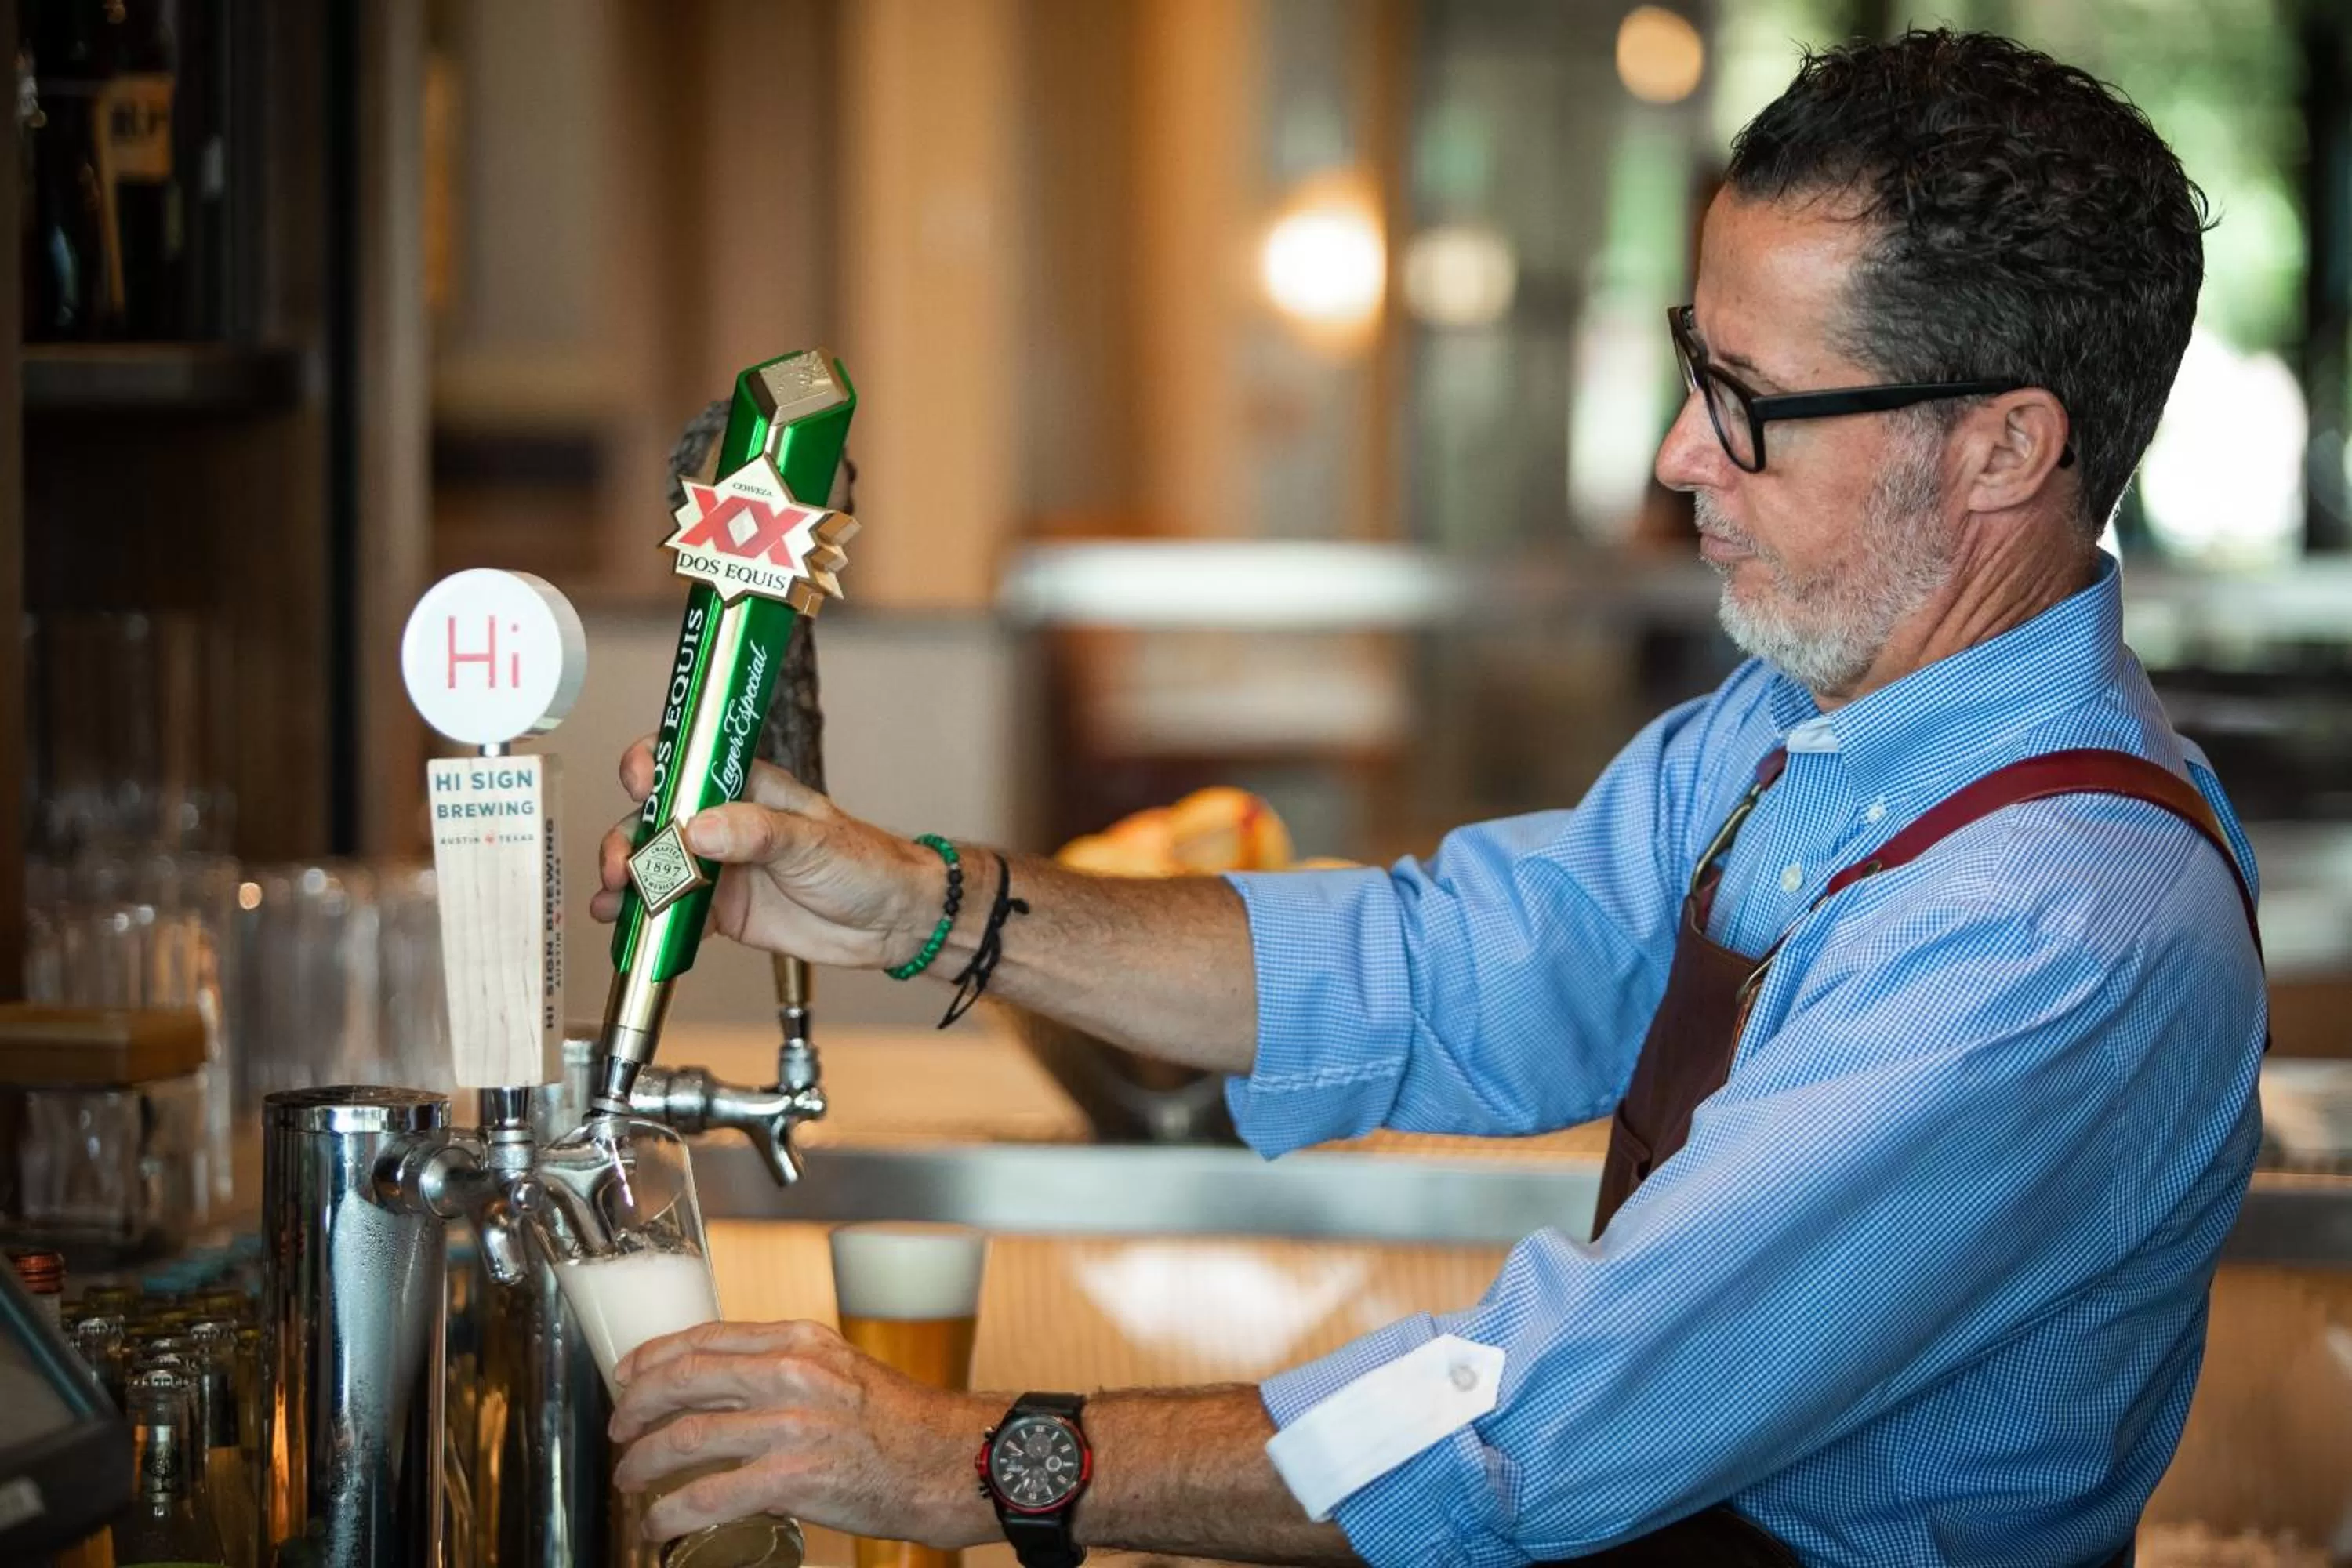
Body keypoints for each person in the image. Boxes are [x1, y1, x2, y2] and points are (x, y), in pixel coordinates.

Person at [590, 28, 2261, 1568]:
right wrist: (927, 904)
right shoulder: (1791, 736)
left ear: (2002, 451)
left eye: (1749, 400)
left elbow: (1547, 1421)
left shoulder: (2051, 926)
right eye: (1694, 363)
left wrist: (966, 1461)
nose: (1682, 452)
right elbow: (1437, 967)